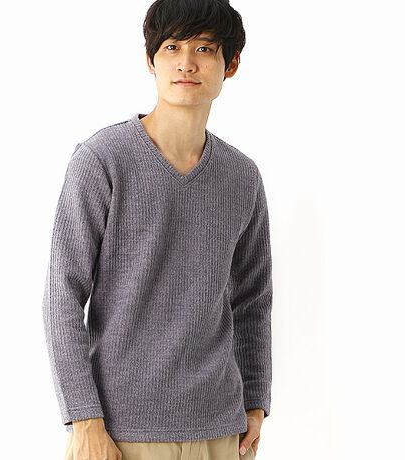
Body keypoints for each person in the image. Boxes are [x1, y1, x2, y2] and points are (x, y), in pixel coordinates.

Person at [42, 0, 273, 459]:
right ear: (150, 60)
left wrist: (255, 401)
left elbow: (253, 300)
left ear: (230, 64)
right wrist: (84, 420)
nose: (186, 63)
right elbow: (62, 296)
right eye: (172, 47)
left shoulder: (242, 176)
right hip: (119, 431)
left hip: (221, 430)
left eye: (204, 48)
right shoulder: (102, 160)